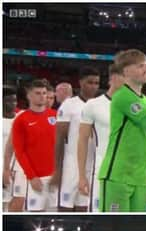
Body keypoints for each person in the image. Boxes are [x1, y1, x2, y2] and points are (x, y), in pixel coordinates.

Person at [98, 49, 146, 212]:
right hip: (117, 176)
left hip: (140, 178)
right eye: (140, 66)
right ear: (126, 71)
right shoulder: (122, 96)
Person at [51, 66, 100, 212]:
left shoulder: (101, 105)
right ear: (81, 82)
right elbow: (59, 138)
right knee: (65, 207)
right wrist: (57, 169)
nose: (93, 86)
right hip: (71, 164)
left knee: (84, 206)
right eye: (90, 82)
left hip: (92, 164)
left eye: (96, 83)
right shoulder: (69, 105)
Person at [77, 64, 125, 212]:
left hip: (129, 174)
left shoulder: (136, 106)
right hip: (101, 172)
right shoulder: (93, 105)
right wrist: (82, 176)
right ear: (113, 78)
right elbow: (83, 140)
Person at [11, 79, 58, 212]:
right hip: (36, 177)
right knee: (36, 212)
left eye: (44, 93)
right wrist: (32, 177)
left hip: (55, 177)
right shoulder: (21, 119)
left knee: (54, 212)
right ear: (29, 95)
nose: (42, 96)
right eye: (38, 93)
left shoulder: (55, 116)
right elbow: (20, 152)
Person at [2, 86, 18, 211]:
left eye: (14, 100)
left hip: (17, 170)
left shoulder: (20, 119)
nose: (12, 104)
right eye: (8, 101)